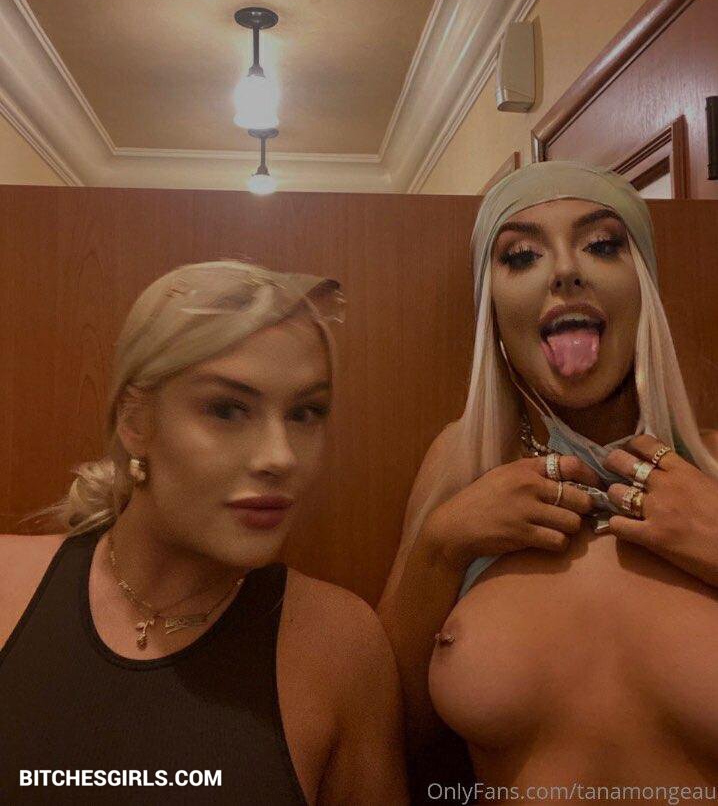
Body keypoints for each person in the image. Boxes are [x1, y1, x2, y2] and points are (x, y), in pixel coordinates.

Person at [0, 260, 408, 805]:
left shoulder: (340, 648)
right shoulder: (6, 587)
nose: (281, 457)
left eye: (305, 413)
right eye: (226, 409)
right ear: (135, 421)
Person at [378, 162, 718, 793]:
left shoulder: (716, 473)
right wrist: (440, 546)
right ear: (491, 308)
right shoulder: (460, 461)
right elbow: (388, 736)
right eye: (521, 256)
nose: (565, 270)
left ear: (643, 284)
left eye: (602, 245)